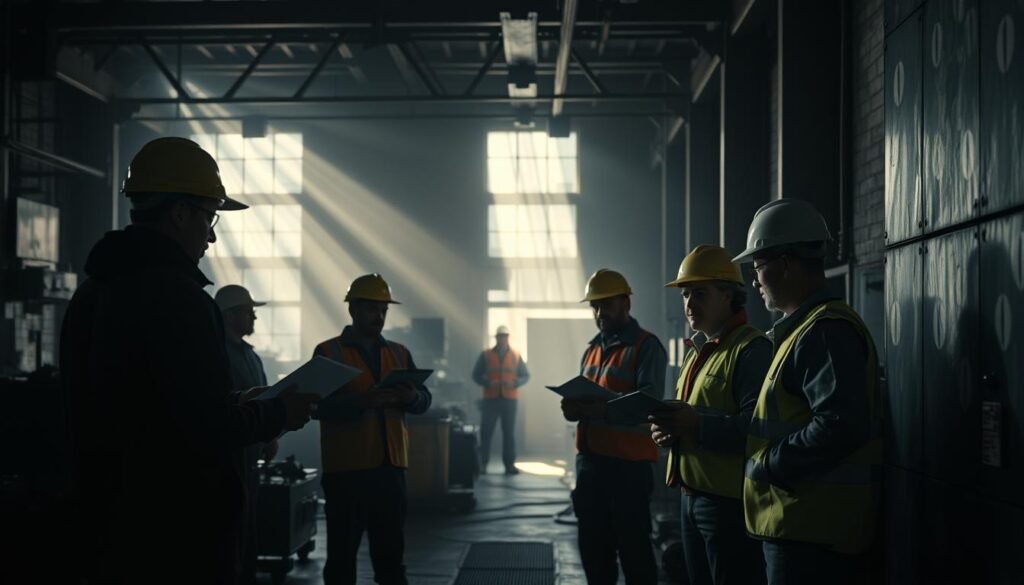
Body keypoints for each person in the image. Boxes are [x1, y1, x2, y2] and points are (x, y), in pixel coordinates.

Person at [59, 137, 317, 585]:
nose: (212, 234)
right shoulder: (179, 298)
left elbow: (149, 403)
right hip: (179, 532)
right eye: (208, 216)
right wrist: (278, 413)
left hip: (109, 522)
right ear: (179, 213)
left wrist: (236, 399)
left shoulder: (92, 293)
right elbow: (207, 430)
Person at [731, 199, 881, 585]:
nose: (754, 279)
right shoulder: (803, 330)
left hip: (811, 536)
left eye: (759, 267)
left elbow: (840, 424)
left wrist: (768, 465)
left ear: (785, 263)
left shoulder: (824, 332)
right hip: (799, 528)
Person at [650, 245, 771, 585]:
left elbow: (758, 430)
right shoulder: (697, 353)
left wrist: (696, 424)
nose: (689, 304)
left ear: (729, 296)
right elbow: (686, 417)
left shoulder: (751, 350)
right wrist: (667, 432)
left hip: (729, 504)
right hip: (689, 497)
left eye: (700, 293)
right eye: (685, 294)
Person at [313, 273, 432, 585]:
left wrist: (412, 397)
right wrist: (361, 401)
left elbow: (424, 401)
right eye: (372, 310)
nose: (379, 317)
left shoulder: (399, 353)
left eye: (383, 311)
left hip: (389, 470)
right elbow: (315, 408)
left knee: (391, 558)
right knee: (341, 559)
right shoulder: (328, 353)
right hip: (346, 472)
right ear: (353, 310)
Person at [560, 269, 667, 584]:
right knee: (594, 553)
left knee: (635, 554)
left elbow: (646, 403)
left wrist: (601, 410)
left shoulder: (647, 347)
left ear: (625, 303)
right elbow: (590, 401)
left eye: (606, 304)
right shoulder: (592, 349)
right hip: (591, 465)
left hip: (629, 470)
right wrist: (574, 409)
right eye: (594, 306)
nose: (599, 312)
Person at [215, 284, 280, 585]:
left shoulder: (251, 357)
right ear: (229, 316)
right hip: (228, 459)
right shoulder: (216, 355)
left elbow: (265, 399)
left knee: (248, 527)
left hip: (251, 457)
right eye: (248, 312)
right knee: (231, 529)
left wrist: (270, 436)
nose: (254, 317)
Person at [472, 325, 530, 474]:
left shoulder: (516, 355)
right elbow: (476, 375)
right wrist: (487, 382)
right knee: (486, 432)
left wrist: (515, 383)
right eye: (500, 336)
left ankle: (509, 465)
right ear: (496, 338)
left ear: (507, 337)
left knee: (509, 433)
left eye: (504, 336)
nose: (502, 339)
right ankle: (483, 464)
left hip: (509, 400)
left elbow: (525, 375)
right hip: (490, 399)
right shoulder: (485, 355)